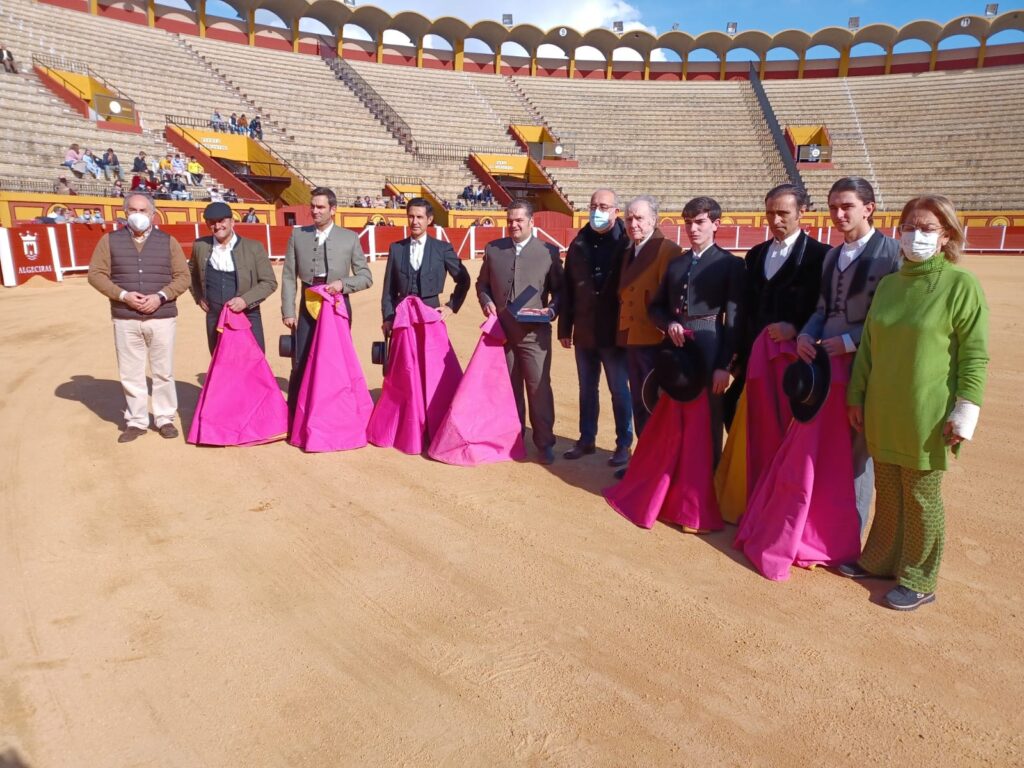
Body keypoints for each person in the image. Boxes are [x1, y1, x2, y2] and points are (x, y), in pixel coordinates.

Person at [843, 194, 989, 611]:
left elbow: (974, 354)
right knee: (889, 488)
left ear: (946, 235)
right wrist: (857, 395)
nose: (916, 236)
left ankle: (920, 577)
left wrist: (966, 410)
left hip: (928, 411)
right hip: (883, 407)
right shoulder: (890, 284)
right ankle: (880, 559)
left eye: (927, 229)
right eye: (910, 227)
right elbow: (868, 348)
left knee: (922, 494)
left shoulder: (962, 286)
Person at [797, 176, 900, 532]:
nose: (838, 214)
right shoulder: (831, 256)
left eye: (847, 206)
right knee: (825, 445)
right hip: (825, 365)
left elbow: (892, 321)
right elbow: (822, 309)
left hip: (863, 365)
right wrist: (806, 334)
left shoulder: (892, 255)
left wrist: (852, 341)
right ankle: (819, 527)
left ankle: (848, 535)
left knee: (858, 452)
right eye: (833, 207)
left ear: (868, 208)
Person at [649, 196, 745, 466]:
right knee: (672, 407)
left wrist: (725, 365)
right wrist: (669, 323)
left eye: (700, 222)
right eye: (689, 223)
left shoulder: (731, 264)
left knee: (710, 414)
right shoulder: (676, 264)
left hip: (710, 342)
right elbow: (655, 308)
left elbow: (735, 319)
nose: (693, 229)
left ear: (716, 224)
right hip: (676, 344)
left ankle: (709, 478)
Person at [87, 192, 189, 442]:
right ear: (125, 213)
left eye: (143, 210)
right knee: (130, 372)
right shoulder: (109, 241)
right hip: (125, 317)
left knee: (163, 371)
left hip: (161, 316)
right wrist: (123, 295)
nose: (138, 215)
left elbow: (183, 276)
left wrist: (161, 297)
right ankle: (137, 420)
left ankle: (165, 418)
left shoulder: (168, 241)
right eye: (133, 210)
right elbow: (96, 274)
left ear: (153, 214)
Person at [476, 199, 564, 464]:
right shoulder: (494, 250)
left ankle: (544, 441)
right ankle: (514, 438)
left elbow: (560, 292)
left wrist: (550, 311)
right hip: (502, 331)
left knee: (538, 386)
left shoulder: (548, 252)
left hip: (534, 333)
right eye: (510, 220)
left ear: (531, 222)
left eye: (519, 220)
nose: (513, 225)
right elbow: (482, 285)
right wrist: (486, 301)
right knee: (509, 387)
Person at [281, 187, 372, 415]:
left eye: (320, 207)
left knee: (335, 360)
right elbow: (289, 276)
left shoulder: (349, 238)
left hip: (337, 305)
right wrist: (288, 310)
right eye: (312, 206)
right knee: (301, 357)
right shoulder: (298, 235)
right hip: (306, 304)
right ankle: (296, 412)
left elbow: (366, 277)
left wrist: (343, 284)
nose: (315, 211)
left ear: (333, 209)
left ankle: (335, 411)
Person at [558, 188, 632, 467]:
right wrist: (565, 328)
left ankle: (623, 443)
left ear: (616, 211)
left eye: (604, 206)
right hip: (585, 330)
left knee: (619, 390)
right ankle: (586, 439)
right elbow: (568, 288)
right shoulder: (578, 243)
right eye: (593, 205)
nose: (597, 210)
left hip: (615, 332)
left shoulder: (627, 243)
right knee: (586, 388)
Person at [617, 195, 681, 439]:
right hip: (634, 337)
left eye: (640, 218)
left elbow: (672, 300)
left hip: (655, 339)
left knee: (654, 402)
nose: (633, 224)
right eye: (629, 218)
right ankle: (643, 458)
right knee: (639, 400)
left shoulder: (668, 250)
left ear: (654, 219)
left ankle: (656, 462)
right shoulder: (629, 251)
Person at [189, 201, 277, 354]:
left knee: (254, 357)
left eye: (221, 221)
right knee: (220, 358)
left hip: (247, 313)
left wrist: (245, 300)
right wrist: (198, 296)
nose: (217, 226)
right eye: (212, 222)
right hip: (215, 315)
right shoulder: (200, 246)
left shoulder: (253, 247)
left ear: (232, 222)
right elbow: (190, 273)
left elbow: (269, 282)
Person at [381, 197, 470, 333]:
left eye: (419, 217)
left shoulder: (442, 249)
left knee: (431, 353)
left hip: (431, 312)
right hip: (402, 315)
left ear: (429, 220)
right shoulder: (396, 248)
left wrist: (451, 306)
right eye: (411, 217)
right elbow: (389, 289)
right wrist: (388, 317)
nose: (415, 222)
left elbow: (464, 280)